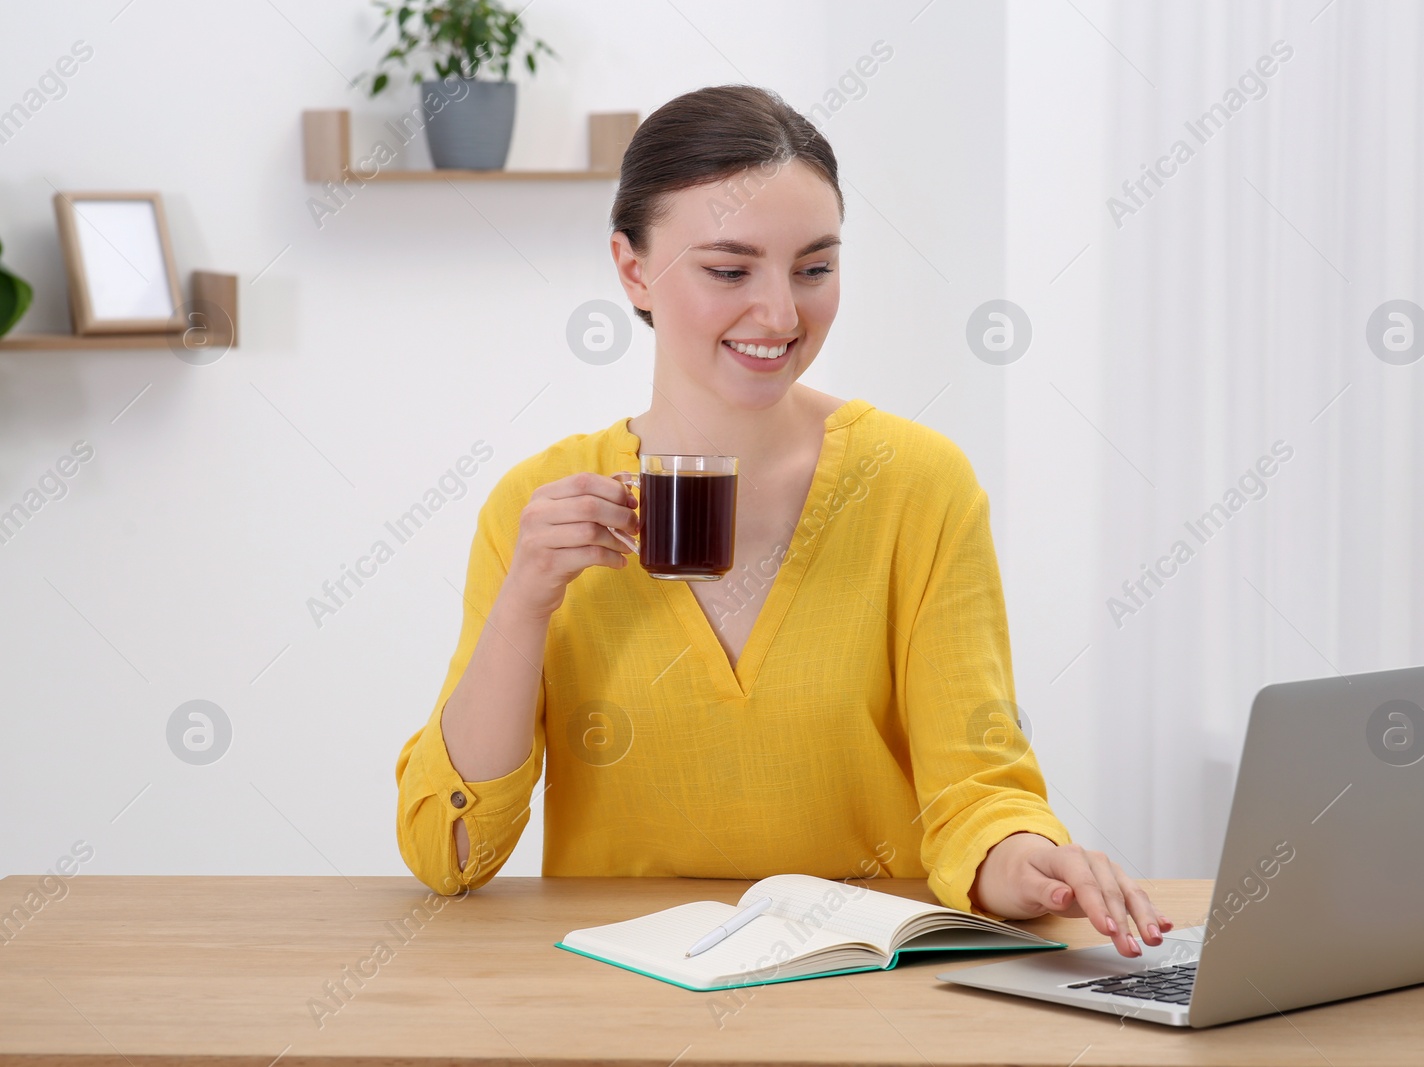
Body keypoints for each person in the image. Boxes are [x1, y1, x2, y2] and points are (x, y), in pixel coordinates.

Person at [395, 84, 1171, 958]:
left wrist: (1029, 863)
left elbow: (976, 789)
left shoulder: (918, 484)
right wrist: (527, 601)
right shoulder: (540, 507)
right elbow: (450, 855)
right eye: (730, 270)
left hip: (865, 984)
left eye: (814, 267)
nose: (781, 314)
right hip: (620, 996)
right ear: (633, 268)